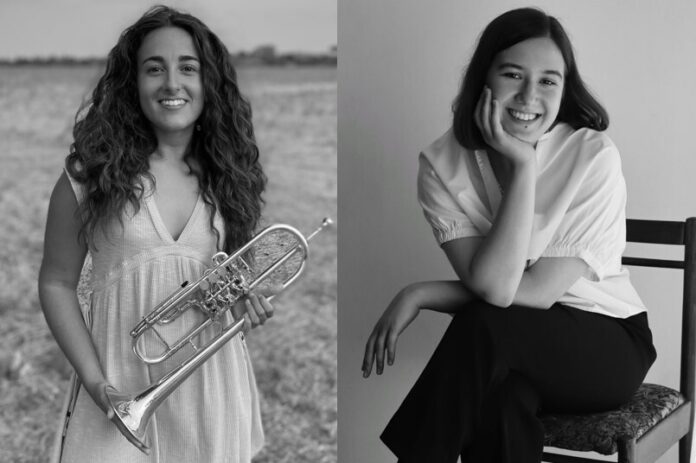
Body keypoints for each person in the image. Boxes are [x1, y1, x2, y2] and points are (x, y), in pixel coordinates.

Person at [362, 7, 656, 463]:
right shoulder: (443, 164)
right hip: (509, 353)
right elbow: (494, 289)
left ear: (564, 88)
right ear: (485, 77)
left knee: (482, 326)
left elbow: (527, 294)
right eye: (513, 74)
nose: (528, 96)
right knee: (501, 402)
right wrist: (521, 167)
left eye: (548, 81)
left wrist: (422, 293)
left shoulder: (593, 156)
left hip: (607, 345)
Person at [38, 5, 275, 463]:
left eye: (189, 68)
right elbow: (56, 282)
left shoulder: (230, 176)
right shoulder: (91, 173)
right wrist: (95, 383)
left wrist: (248, 298)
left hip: (209, 385)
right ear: (133, 82)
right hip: (114, 382)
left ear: (210, 83)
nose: (172, 83)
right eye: (154, 69)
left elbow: (231, 273)